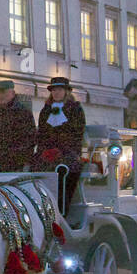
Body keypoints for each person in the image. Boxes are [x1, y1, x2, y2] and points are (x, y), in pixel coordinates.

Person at [33, 77, 86, 216]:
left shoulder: (75, 109)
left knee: (66, 170)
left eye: (59, 90)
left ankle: (62, 210)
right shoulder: (46, 110)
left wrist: (61, 150)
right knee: (34, 168)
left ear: (66, 91)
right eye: (54, 90)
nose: (56, 93)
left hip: (68, 152)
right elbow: (42, 133)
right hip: (48, 152)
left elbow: (77, 133)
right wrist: (45, 150)